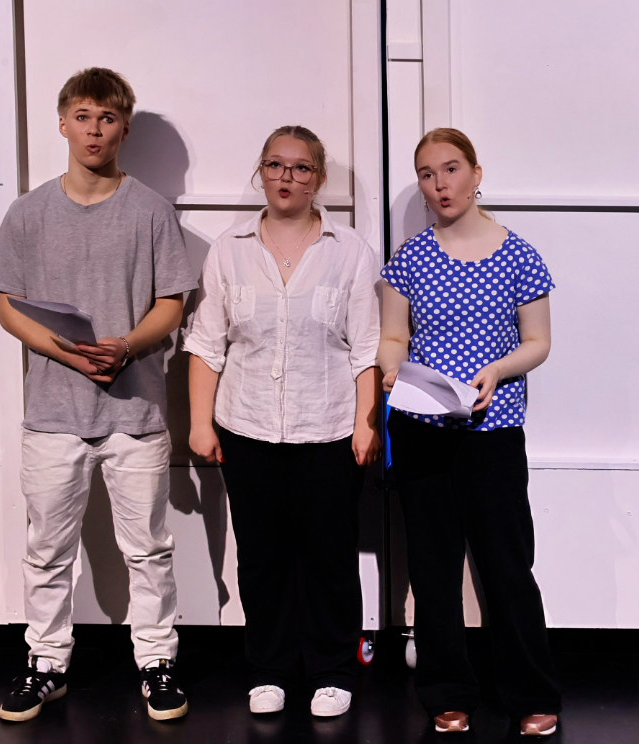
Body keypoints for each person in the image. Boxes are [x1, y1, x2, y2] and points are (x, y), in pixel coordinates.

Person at [0, 67, 197, 722]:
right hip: (52, 413)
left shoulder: (151, 210)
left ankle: (156, 664)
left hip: (136, 413)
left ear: (123, 127)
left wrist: (125, 346)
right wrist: (66, 352)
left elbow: (171, 304)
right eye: (82, 116)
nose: (94, 129)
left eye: (106, 118)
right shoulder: (29, 212)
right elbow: (8, 306)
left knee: (149, 550)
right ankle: (45, 664)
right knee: (47, 549)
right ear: (62, 124)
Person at [183, 126, 382, 718]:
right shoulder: (229, 249)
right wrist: (200, 422)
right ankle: (268, 669)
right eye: (275, 165)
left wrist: (367, 424)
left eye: (300, 167)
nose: (287, 177)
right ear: (261, 172)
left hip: (329, 428)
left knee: (329, 555)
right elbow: (207, 344)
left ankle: (331, 670)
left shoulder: (350, 251)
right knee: (261, 556)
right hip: (247, 427)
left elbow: (366, 348)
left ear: (318, 178)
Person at [378, 128, 561, 737]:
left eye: (451, 169)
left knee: (507, 566)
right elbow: (394, 336)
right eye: (427, 174)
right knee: (432, 569)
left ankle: (530, 693)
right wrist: (390, 369)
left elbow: (538, 342)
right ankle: (447, 691)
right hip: (423, 429)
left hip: (492, 431)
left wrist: (498, 370)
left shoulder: (519, 255)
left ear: (476, 174)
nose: (440, 184)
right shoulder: (410, 258)